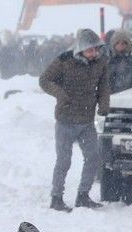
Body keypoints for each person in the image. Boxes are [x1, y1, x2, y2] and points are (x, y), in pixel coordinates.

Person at [39, 29, 109, 211]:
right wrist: (61, 95)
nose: (94, 53)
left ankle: (83, 196)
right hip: (65, 120)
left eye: (96, 49)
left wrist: (104, 104)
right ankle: (56, 198)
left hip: (86, 121)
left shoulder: (100, 62)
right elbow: (44, 80)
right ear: (80, 49)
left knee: (93, 158)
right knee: (64, 161)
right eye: (90, 50)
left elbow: (103, 85)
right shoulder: (64, 60)